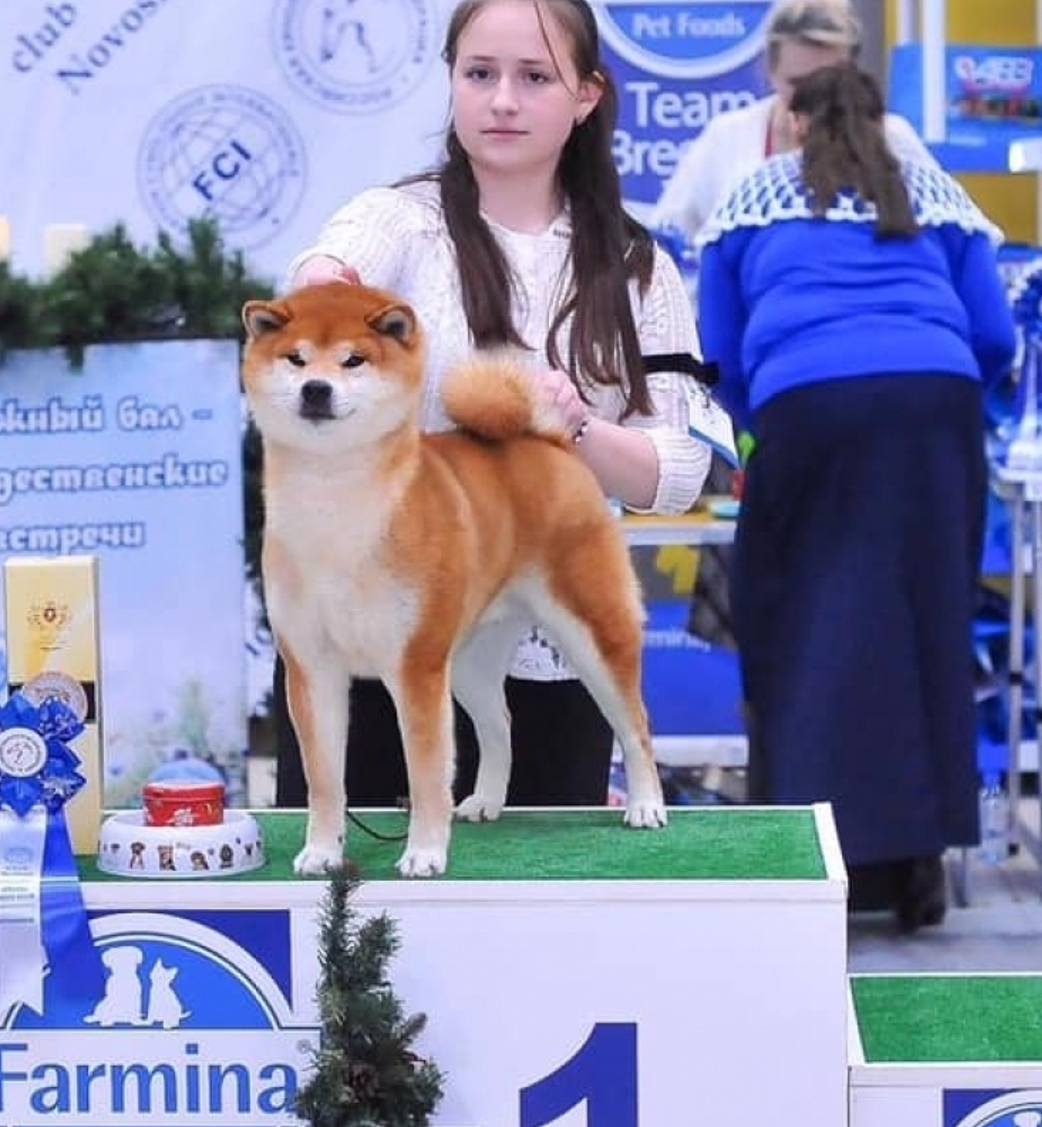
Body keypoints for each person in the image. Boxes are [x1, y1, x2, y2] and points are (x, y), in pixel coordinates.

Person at [269, 0, 731, 810]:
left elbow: (679, 474)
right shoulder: (396, 221)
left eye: (534, 77)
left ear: (586, 95)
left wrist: (574, 424)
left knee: (545, 920)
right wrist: (324, 294)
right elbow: (327, 271)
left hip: (551, 655)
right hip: (370, 642)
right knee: (352, 923)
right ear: (452, 81)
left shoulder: (636, 265)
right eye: (479, 74)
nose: (503, 100)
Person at [696, 63, 1015, 932]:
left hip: (810, 408)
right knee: (925, 628)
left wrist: (770, 423)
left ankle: (815, 862)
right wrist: (936, 395)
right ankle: (916, 868)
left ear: (791, 121)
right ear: (883, 124)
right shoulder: (931, 192)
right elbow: (991, 332)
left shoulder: (752, 195)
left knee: (804, 630)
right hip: (934, 412)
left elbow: (716, 349)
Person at [652, 0, 935, 243]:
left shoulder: (892, 137)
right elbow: (665, 237)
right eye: (798, 83)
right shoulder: (727, 136)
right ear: (770, 72)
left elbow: (957, 224)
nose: (815, 98)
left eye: (831, 81)